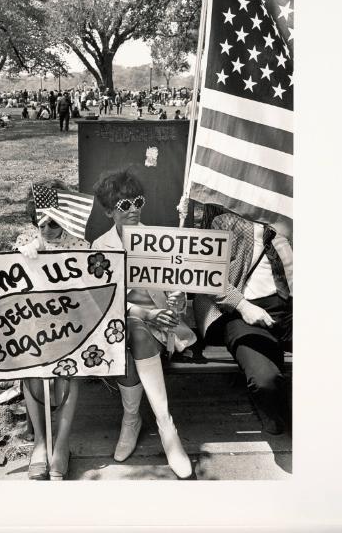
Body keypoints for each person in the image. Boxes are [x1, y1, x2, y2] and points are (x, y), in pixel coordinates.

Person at [91, 169, 195, 479]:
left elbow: (179, 291)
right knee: (132, 331)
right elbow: (104, 302)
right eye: (124, 205)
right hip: (120, 328)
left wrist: (178, 301)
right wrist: (145, 314)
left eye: (138, 201)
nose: (134, 209)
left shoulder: (159, 240)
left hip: (164, 329)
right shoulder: (101, 246)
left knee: (136, 334)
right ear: (110, 211)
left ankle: (153, 426)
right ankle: (149, 423)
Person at [193, 209, 293, 435]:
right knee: (266, 381)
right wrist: (242, 305)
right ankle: (276, 412)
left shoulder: (290, 212)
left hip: (292, 308)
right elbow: (207, 272)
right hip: (243, 310)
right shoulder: (224, 220)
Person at [15, 180, 90, 480]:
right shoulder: (26, 240)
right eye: (41, 222)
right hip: (34, 326)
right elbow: (8, 283)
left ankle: (61, 443)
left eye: (53, 223)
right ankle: (40, 443)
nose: (46, 230)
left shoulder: (80, 245)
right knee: (28, 365)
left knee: (72, 370)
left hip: (70, 326)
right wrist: (27, 252)